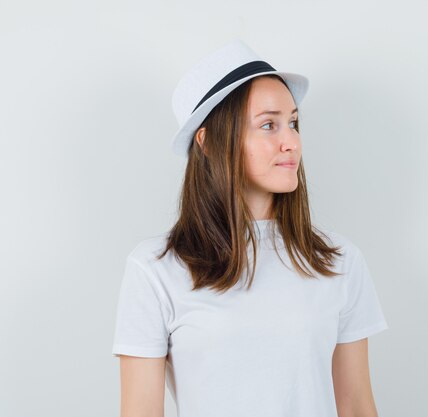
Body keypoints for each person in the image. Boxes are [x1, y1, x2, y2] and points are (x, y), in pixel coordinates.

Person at [111, 39, 389, 417]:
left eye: (293, 122)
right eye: (268, 125)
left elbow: (356, 405)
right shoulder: (156, 269)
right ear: (207, 142)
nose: (291, 141)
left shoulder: (338, 261)